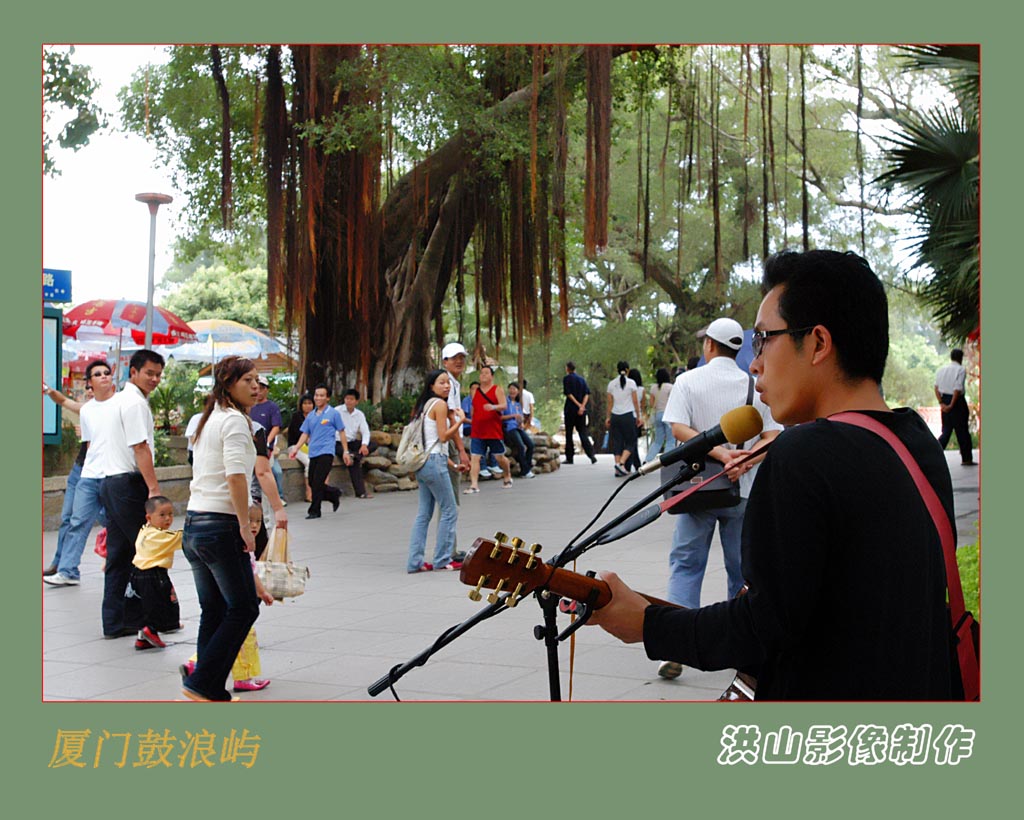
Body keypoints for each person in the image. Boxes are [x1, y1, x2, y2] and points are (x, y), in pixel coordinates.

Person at [589, 249, 956, 700]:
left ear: (818, 344)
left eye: (763, 339)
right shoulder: (916, 441)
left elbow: (762, 628)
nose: (754, 362)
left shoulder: (804, 454)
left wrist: (647, 626)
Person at [655, 317, 782, 679]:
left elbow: (678, 427)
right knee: (741, 570)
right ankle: (738, 647)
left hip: (697, 487)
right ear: (736, 348)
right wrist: (741, 459)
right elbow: (772, 436)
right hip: (742, 490)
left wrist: (717, 454)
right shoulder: (752, 384)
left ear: (709, 345)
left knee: (685, 563)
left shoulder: (688, 381)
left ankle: (674, 647)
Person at [180, 356, 263, 702]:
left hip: (195, 526)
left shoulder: (208, 419)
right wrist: (245, 525)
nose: (256, 386)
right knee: (244, 608)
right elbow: (235, 476)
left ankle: (206, 684)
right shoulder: (231, 421)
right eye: (248, 381)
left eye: (258, 380)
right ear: (228, 384)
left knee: (214, 609)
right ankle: (202, 683)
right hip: (219, 525)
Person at [96, 350, 165, 638]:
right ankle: (153, 619)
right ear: (133, 371)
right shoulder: (135, 403)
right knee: (146, 551)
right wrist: (154, 489)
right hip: (127, 485)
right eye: (149, 373)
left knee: (120, 555)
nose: (155, 379)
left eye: (159, 374)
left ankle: (116, 621)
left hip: (111, 483)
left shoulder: (117, 401)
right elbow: (140, 447)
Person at [182, 503, 275, 692]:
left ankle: (201, 672)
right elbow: (236, 476)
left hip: (194, 527)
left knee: (212, 613)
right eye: (250, 521)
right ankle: (231, 678)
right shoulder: (241, 547)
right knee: (242, 618)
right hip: (218, 531)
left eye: (258, 521)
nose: (254, 525)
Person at [42, 375, 108, 578]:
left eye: (93, 386)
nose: (89, 391)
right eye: (87, 387)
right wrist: (47, 390)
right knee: (70, 518)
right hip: (81, 470)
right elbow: (63, 400)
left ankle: (117, 557)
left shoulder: (113, 409)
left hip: (104, 473)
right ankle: (62, 565)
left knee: (109, 519)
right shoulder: (86, 410)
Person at [406, 369, 464, 573]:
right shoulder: (439, 405)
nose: (446, 386)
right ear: (432, 386)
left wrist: (454, 465)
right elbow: (443, 437)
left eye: (448, 382)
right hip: (434, 462)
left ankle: (415, 562)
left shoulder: (423, 406)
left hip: (423, 463)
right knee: (449, 509)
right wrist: (460, 421)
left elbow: (432, 443)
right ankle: (442, 558)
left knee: (424, 513)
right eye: (442, 382)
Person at [127, 495, 182, 651]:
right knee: (160, 604)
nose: (168, 519)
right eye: (162, 515)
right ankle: (151, 630)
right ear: (149, 517)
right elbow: (180, 537)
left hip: (137, 574)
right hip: (154, 575)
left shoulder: (145, 529)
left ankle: (142, 638)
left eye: (171, 514)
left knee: (145, 606)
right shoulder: (159, 536)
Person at [287, 384, 350, 519]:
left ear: (327, 398)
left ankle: (314, 510)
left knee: (317, 482)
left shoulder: (333, 413)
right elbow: (305, 433)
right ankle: (333, 493)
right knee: (312, 482)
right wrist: (296, 448)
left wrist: (345, 451)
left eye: (321, 395)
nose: (318, 398)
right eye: (316, 395)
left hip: (326, 451)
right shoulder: (311, 415)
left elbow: (342, 432)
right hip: (313, 451)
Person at [441, 342, 472, 560]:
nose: (459, 361)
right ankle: (448, 552)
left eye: (461, 357)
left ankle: (446, 550)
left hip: (443, 445)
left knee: (435, 505)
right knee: (451, 501)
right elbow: (452, 419)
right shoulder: (447, 385)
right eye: (454, 358)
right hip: (448, 445)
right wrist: (461, 451)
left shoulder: (451, 383)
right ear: (445, 361)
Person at [466, 365, 513, 492]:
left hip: (493, 429)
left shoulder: (497, 389)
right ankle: (474, 485)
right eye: (482, 373)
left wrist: (493, 407)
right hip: (477, 429)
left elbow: (503, 406)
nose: (483, 375)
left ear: (492, 376)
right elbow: (473, 408)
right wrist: (472, 420)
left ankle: (507, 475)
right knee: (475, 457)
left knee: (499, 457)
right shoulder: (475, 391)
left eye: (486, 373)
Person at [934, 348, 975, 465]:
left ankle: (935, 455)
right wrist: (952, 404)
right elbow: (957, 388)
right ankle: (966, 459)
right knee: (962, 431)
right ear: (961, 358)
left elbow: (936, 388)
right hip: (957, 402)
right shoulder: (960, 370)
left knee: (946, 431)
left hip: (944, 399)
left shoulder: (942, 370)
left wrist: (942, 403)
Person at [250, 374, 286, 503]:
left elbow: (276, 427)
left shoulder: (272, 407)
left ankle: (271, 506)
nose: (258, 391)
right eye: (256, 388)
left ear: (266, 390)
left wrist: (267, 442)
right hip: (249, 448)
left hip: (264, 448)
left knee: (265, 476)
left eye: (261, 388)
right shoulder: (249, 406)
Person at [605, 361, 643, 477]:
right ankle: (621, 463)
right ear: (627, 370)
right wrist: (638, 416)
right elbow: (635, 401)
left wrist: (608, 417)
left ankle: (618, 467)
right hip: (627, 416)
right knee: (631, 441)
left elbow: (610, 403)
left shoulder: (611, 384)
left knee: (617, 442)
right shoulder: (631, 383)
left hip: (615, 416)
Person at [337, 388, 376, 498]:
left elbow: (365, 431)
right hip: (338, 442)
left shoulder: (359, 414)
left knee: (372, 444)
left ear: (356, 401)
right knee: (352, 461)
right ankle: (361, 492)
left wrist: (364, 445)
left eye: (351, 399)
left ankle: (355, 455)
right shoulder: (337, 411)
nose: (349, 401)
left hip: (352, 442)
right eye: (347, 399)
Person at [562, 361, 597, 465]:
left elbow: (569, 394)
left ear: (567, 368)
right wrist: (582, 406)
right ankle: (591, 455)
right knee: (583, 432)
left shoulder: (566, 379)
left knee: (569, 433)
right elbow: (587, 393)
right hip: (581, 410)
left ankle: (570, 457)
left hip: (570, 409)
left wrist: (577, 405)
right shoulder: (582, 380)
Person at [286, 393, 316, 502]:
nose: (307, 406)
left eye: (310, 403)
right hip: (296, 447)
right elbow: (299, 434)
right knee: (309, 462)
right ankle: (309, 493)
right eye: (305, 403)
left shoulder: (316, 416)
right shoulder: (296, 417)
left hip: (313, 446)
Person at [503, 382, 535, 478]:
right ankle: (525, 470)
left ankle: (527, 468)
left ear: (518, 391)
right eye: (511, 389)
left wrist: (521, 422)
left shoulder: (518, 404)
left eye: (514, 389)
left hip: (518, 427)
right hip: (509, 428)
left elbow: (520, 416)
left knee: (531, 445)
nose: (512, 391)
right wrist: (513, 416)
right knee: (520, 446)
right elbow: (500, 417)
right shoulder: (505, 402)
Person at [643, 367, 674, 464]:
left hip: (657, 415)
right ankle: (668, 461)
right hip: (668, 416)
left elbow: (652, 404)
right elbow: (673, 402)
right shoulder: (670, 387)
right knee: (670, 440)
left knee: (657, 441)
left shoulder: (653, 388)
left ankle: (647, 460)